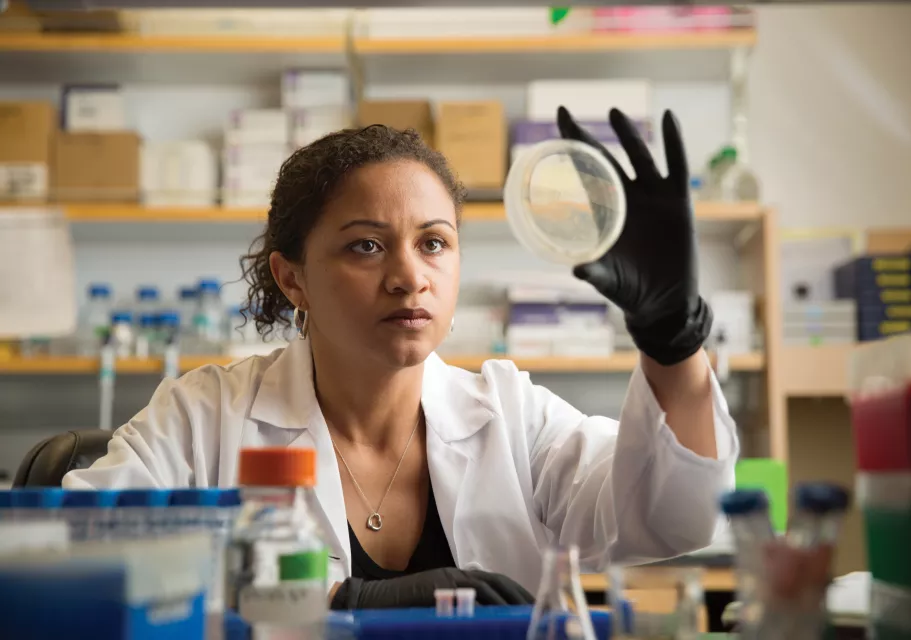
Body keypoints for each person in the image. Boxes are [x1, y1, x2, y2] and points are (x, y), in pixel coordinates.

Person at [64, 106, 739, 610]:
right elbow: (83, 556)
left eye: (434, 243)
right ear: (292, 277)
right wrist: (340, 603)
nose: (409, 276)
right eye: (365, 245)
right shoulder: (206, 416)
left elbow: (670, 518)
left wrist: (673, 342)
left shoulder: (511, 414)